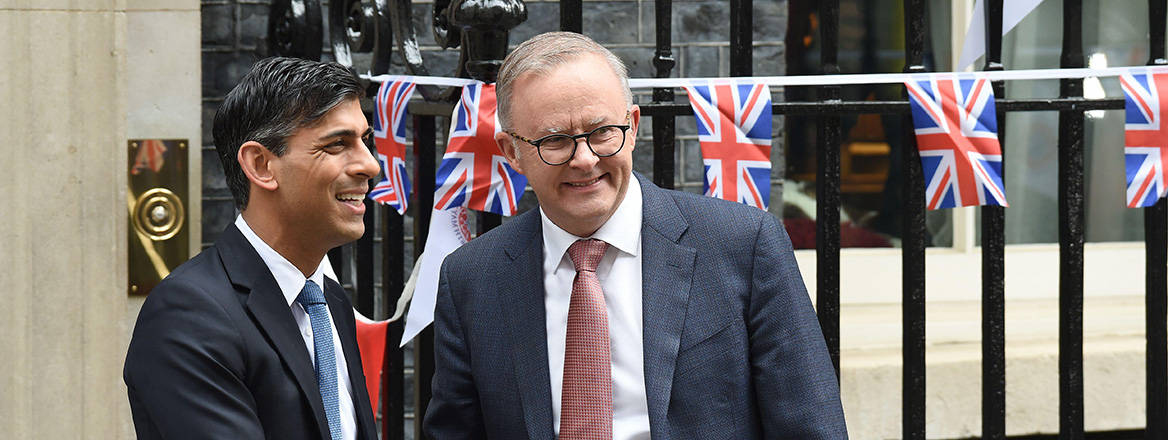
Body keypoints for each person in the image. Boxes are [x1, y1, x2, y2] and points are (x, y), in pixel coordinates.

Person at [424, 32, 848, 439]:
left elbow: (810, 426)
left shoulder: (743, 245)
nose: (585, 160)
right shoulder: (471, 278)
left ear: (633, 125)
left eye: (602, 132)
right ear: (511, 151)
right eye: (555, 141)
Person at [124, 57, 381, 440]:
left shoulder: (326, 300)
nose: (369, 164)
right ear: (261, 165)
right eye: (337, 144)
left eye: (365, 141)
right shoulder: (189, 314)